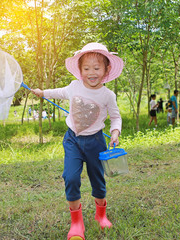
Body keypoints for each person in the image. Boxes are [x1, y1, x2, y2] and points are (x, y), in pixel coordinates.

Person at [31, 42, 123, 240]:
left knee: (97, 180)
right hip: (72, 140)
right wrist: (43, 92)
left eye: (97, 68)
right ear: (80, 71)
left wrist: (115, 132)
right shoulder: (74, 87)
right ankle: (76, 222)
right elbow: (59, 92)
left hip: (96, 142)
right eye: (86, 68)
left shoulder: (108, 95)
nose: (92, 72)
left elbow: (116, 117)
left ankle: (101, 215)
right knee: (70, 178)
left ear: (106, 70)